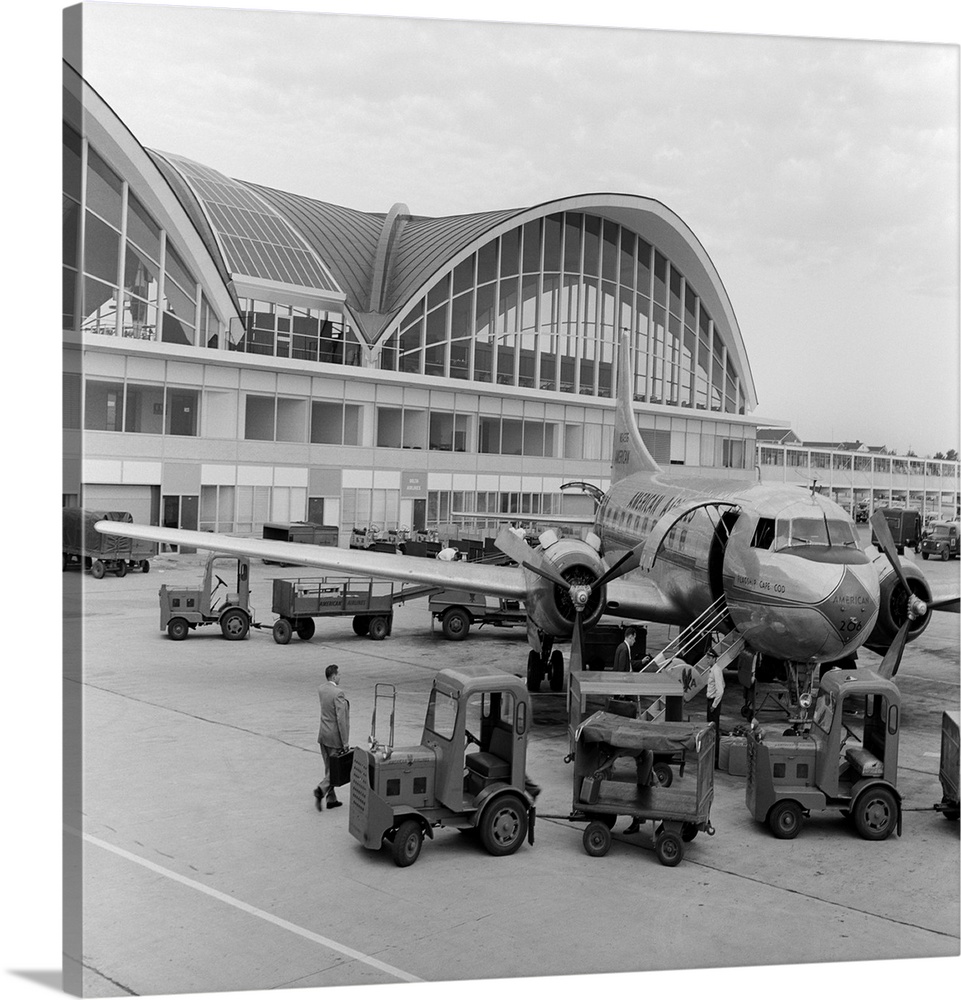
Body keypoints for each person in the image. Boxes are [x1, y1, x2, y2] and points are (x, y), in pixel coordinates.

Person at [314, 663, 350, 811]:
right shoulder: (338, 693)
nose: (340, 676)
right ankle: (321, 790)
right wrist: (345, 742)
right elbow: (341, 719)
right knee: (335, 770)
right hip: (334, 737)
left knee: (329, 766)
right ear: (334, 676)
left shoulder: (322, 689)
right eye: (339, 674)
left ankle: (331, 799)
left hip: (323, 735)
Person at [705, 647, 724, 766]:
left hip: (713, 703)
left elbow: (720, 690)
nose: (707, 660)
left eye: (708, 658)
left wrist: (714, 705)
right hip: (711, 701)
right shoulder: (713, 670)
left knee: (713, 730)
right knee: (710, 728)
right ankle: (712, 755)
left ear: (713, 658)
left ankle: (715, 758)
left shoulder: (716, 671)